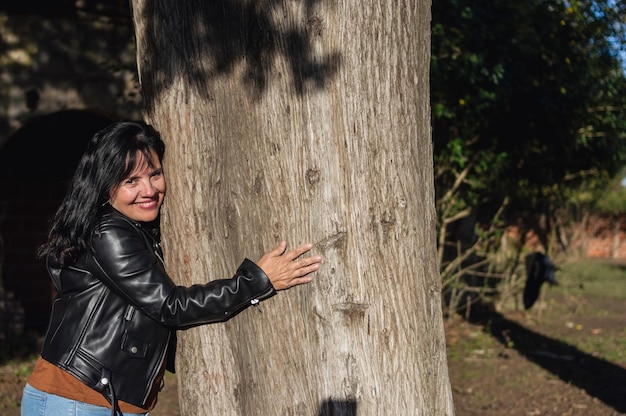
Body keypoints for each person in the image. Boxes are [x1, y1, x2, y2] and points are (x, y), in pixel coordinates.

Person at [20, 120, 322, 416]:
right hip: (77, 400)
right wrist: (257, 281)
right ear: (105, 187)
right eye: (131, 181)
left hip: (101, 400)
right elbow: (169, 305)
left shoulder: (135, 231)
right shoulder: (107, 232)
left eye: (155, 174)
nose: (149, 189)